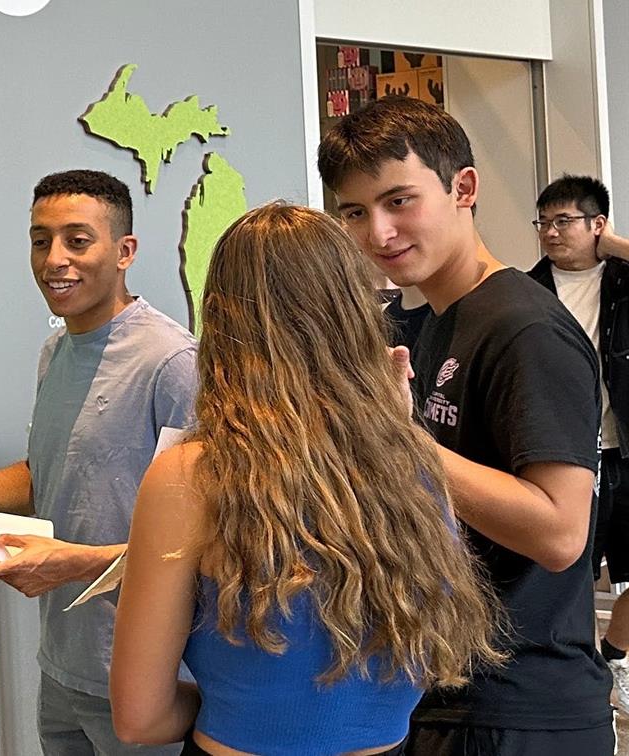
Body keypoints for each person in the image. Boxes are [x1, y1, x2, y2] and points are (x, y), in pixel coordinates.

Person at [108, 203, 504, 755]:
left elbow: (139, 718)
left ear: (220, 319)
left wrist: (238, 702)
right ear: (356, 313)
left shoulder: (191, 474)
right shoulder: (413, 461)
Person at [320, 96, 607, 753]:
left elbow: (561, 532)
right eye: (355, 213)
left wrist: (401, 443)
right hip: (445, 687)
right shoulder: (440, 319)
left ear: (464, 188)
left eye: (399, 202)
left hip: (521, 705)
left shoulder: (524, 327)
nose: (378, 234)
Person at [0, 169, 196, 755]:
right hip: (61, 665)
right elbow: (48, 475)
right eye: (41, 240)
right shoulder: (55, 350)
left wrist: (75, 564)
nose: (55, 259)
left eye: (77, 240)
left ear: (125, 251)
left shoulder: (172, 363)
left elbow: (206, 539)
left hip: (145, 674)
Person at [527, 176, 629, 705]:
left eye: (563, 220)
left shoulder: (622, 282)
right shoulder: (526, 290)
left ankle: (612, 658)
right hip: (564, 454)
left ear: (597, 224)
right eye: (544, 221)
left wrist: (613, 247)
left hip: (624, 449)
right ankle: (578, 672)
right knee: (567, 572)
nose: (550, 232)